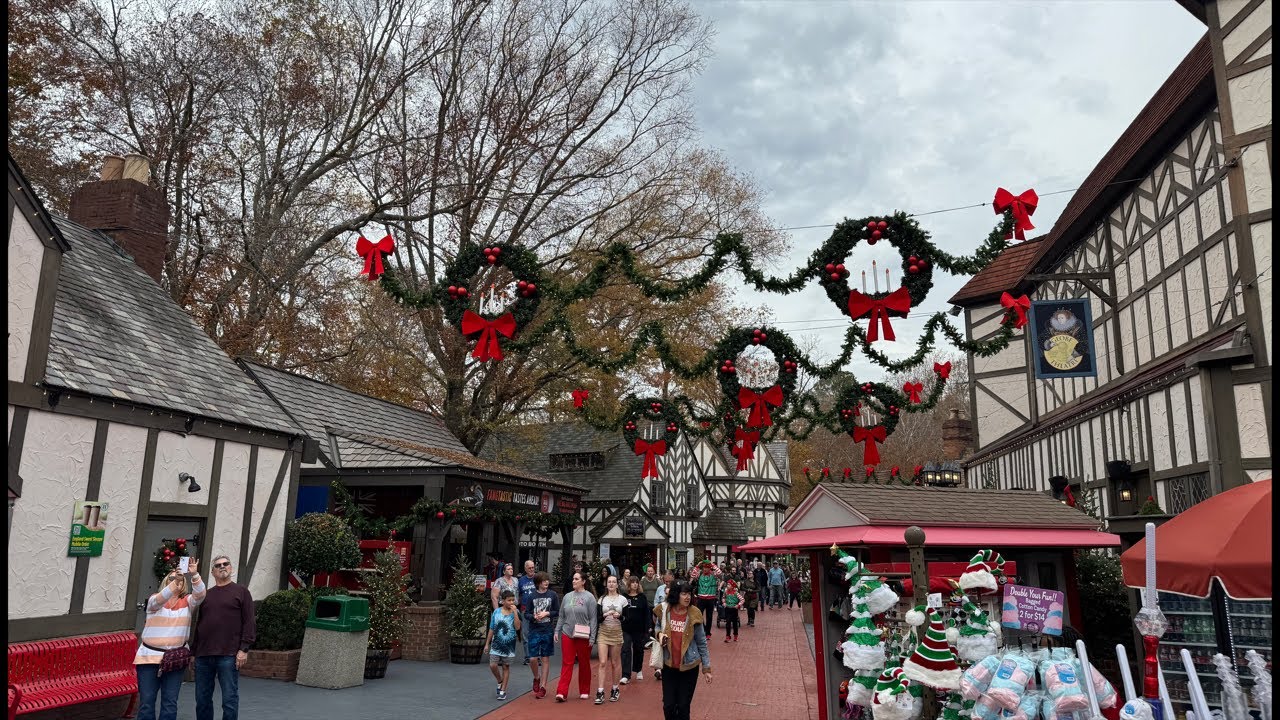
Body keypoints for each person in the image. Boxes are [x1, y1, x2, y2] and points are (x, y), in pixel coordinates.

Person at [135, 560, 205, 720]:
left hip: (175, 659)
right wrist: (177, 580)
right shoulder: (155, 600)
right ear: (166, 583)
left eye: (179, 580)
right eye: (171, 579)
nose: (176, 582)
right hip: (149, 659)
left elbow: (200, 594)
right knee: (146, 702)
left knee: (170, 703)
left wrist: (194, 574)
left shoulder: (187, 602)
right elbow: (159, 599)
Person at [193, 555, 254, 720]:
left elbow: (249, 621)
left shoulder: (241, 592)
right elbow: (200, 624)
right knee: (202, 699)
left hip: (229, 655)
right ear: (212, 572)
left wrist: (244, 649)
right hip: (203, 655)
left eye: (226, 564)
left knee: (229, 699)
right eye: (218, 565)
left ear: (231, 568)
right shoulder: (206, 594)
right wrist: (194, 652)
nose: (222, 567)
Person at [653, 582, 712, 720]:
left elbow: (702, 642)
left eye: (689, 594)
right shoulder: (665, 610)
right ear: (676, 595)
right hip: (669, 666)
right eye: (683, 594)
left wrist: (707, 669)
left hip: (689, 667)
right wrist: (659, 635)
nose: (687, 597)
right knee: (668, 706)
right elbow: (657, 627)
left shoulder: (694, 613)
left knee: (683, 706)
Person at [554, 570, 598, 702]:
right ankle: (561, 692)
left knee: (584, 663)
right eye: (573, 578)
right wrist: (557, 631)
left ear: (583, 582)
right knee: (567, 662)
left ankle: (584, 690)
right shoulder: (567, 596)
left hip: (583, 634)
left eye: (577, 579)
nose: (574, 581)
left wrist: (592, 637)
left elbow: (593, 619)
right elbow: (561, 616)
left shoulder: (590, 597)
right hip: (567, 633)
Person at [523, 572, 559, 699]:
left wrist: (547, 614)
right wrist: (533, 616)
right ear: (538, 582)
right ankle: (536, 677)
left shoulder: (553, 595)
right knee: (532, 658)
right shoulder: (532, 596)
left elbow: (556, 612)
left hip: (547, 629)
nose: (546, 582)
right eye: (544, 581)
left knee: (545, 659)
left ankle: (543, 686)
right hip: (534, 630)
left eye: (547, 580)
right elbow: (526, 613)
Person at [484, 589, 522, 700]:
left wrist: (515, 612)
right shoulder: (496, 612)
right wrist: (487, 644)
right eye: (509, 600)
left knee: (506, 666)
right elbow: (492, 628)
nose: (511, 602)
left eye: (513, 600)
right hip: (496, 644)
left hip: (509, 646)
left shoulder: (516, 612)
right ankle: (499, 681)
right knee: (493, 665)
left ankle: (503, 690)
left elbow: (518, 627)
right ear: (503, 601)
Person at [596, 575, 627, 703]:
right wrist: (605, 615)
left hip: (616, 633)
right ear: (606, 584)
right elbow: (597, 619)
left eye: (614, 582)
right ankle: (600, 691)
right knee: (603, 662)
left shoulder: (623, 600)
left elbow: (627, 619)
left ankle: (615, 689)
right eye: (609, 582)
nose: (611, 584)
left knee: (615, 663)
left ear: (617, 584)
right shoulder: (601, 600)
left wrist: (619, 616)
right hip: (603, 632)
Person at [619, 576, 652, 685]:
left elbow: (647, 613)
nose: (635, 584)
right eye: (632, 582)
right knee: (626, 649)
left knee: (639, 649)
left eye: (636, 582)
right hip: (626, 628)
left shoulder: (642, 597)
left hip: (639, 628)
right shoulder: (623, 597)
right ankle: (625, 675)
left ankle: (638, 669)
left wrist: (648, 626)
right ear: (629, 584)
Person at [517, 560, 538, 665]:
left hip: (537, 610)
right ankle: (528, 657)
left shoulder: (538, 579)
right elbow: (518, 594)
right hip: (525, 609)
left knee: (536, 633)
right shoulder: (521, 580)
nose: (531, 569)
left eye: (533, 567)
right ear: (525, 569)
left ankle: (536, 656)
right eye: (529, 568)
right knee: (526, 634)